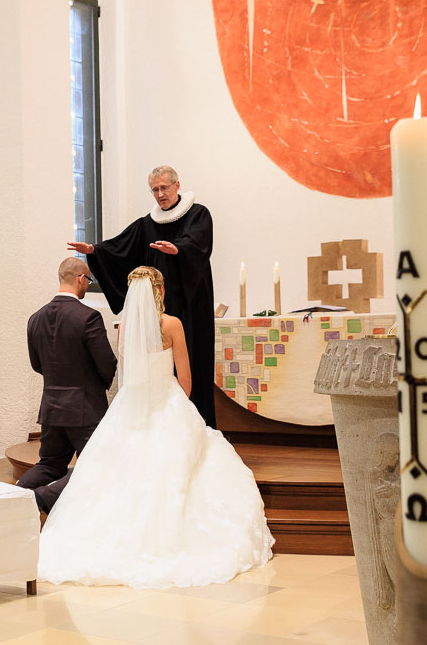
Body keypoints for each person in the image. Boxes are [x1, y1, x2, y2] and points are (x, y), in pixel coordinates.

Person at [37, 266, 273, 588]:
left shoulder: (125, 328)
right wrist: (176, 404)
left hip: (130, 406)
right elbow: (186, 380)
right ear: (160, 292)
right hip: (165, 399)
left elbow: (127, 372)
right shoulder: (171, 324)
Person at [68, 165, 216, 427]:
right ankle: (157, 424)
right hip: (157, 309)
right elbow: (121, 247)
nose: (160, 194)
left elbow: (199, 243)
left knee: (191, 359)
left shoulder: (198, 214)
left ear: (177, 185)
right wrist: (95, 250)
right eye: (155, 190)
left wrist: (179, 249)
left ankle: (196, 426)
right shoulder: (148, 224)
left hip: (191, 305)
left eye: (164, 188)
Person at [17, 257, 117, 513]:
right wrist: (95, 388)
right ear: (81, 279)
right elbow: (106, 363)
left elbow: (37, 364)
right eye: (89, 281)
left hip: (51, 406)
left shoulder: (35, 318)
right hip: (85, 408)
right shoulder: (88, 317)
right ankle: (43, 498)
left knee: (49, 464)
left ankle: (15, 494)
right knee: (96, 465)